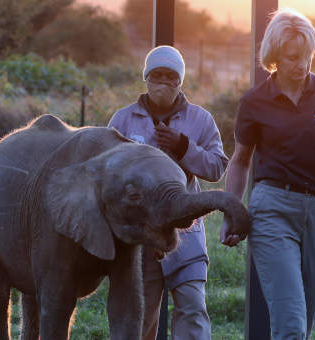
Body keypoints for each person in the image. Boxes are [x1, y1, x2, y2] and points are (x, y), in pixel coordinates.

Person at [220, 8, 315, 340]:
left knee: (305, 320)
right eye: (294, 57)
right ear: (274, 56)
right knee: (291, 324)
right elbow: (240, 162)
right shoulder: (254, 102)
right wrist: (231, 212)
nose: (303, 64)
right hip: (273, 209)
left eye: (308, 55)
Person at [108, 45, 228, 340]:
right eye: (156, 75)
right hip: (139, 238)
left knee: (193, 308)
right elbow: (105, 172)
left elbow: (216, 167)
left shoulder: (200, 120)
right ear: (146, 78)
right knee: (140, 320)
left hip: (186, 233)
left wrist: (183, 146)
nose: (163, 82)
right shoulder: (123, 120)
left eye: (171, 76)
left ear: (180, 81)